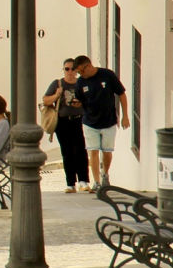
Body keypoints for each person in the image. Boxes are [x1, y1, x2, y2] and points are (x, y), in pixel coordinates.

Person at [70, 54, 129, 190]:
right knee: (93, 151)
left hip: (108, 120)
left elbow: (121, 94)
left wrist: (125, 115)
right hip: (90, 121)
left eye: (81, 71)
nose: (80, 75)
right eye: (78, 72)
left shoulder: (107, 75)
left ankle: (105, 174)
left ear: (88, 66)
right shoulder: (81, 83)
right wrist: (77, 104)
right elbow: (80, 99)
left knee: (107, 151)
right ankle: (96, 182)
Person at [43, 58, 91, 193]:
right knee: (67, 152)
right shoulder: (58, 84)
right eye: (67, 69)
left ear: (77, 70)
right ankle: (70, 183)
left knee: (80, 150)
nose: (70, 72)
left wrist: (81, 104)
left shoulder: (82, 83)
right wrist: (57, 95)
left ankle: (83, 181)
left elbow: (90, 99)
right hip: (63, 121)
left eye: (72, 69)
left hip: (79, 120)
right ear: (63, 70)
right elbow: (45, 100)